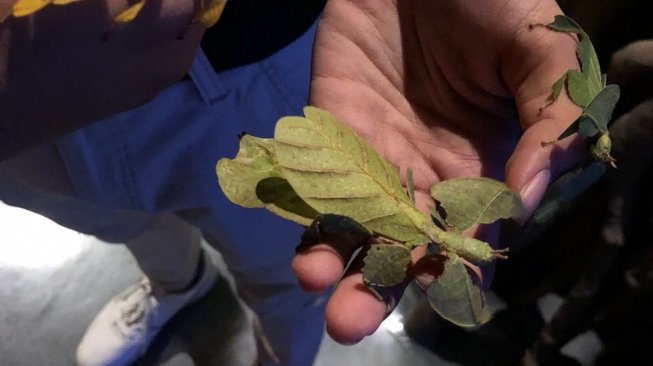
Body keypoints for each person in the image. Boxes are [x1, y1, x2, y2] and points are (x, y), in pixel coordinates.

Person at [0, 0, 586, 364]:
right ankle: (176, 283)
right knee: (121, 225)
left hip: (258, 60)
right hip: (23, 125)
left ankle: (278, 358)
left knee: (289, 276)